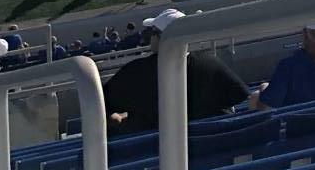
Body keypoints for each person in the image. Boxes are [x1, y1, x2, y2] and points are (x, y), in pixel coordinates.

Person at [103, 8, 248, 133]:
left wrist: (121, 118)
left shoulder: (136, 72)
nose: (150, 37)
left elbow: (101, 104)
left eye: (152, 32)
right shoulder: (210, 62)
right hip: (211, 147)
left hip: (156, 153)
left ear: (161, 37)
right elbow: (240, 96)